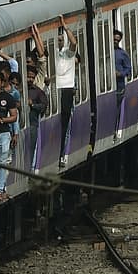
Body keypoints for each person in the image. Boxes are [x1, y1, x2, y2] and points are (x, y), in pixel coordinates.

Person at [49, 18, 80, 167]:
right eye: (57, 40)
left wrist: (66, 27)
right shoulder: (54, 53)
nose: (58, 42)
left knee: (65, 124)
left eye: (61, 40)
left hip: (66, 91)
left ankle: (62, 155)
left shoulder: (68, 53)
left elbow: (74, 44)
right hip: (57, 91)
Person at [0, 71, 19, 201]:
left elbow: (14, 116)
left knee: (2, 161)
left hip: (3, 133)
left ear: (2, 83)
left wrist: (1, 120)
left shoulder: (7, 98)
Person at [114, 29, 133, 136]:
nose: (115, 41)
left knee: (116, 109)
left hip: (119, 86)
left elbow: (128, 69)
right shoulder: (104, 53)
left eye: (117, 40)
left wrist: (120, 74)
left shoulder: (123, 54)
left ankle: (114, 130)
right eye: (114, 39)